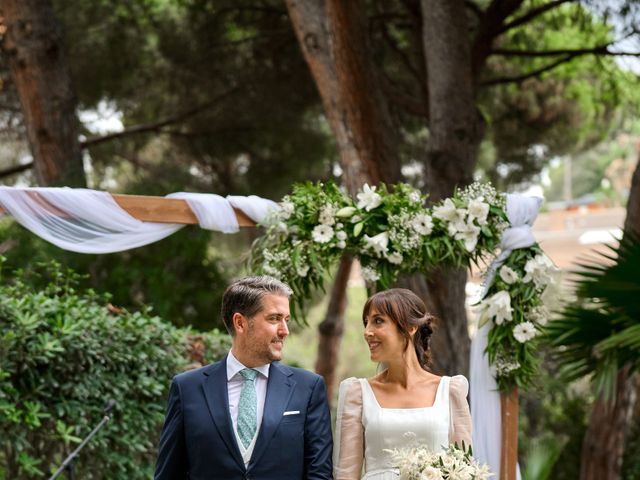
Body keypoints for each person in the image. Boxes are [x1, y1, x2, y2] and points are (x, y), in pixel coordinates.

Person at [154, 276, 333, 480]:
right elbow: (168, 474)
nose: (285, 331)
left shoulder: (308, 388)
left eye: (286, 320)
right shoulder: (187, 388)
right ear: (240, 323)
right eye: (274, 318)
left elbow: (319, 474)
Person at [333, 288, 472, 479]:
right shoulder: (358, 394)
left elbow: (465, 467)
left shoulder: (450, 391)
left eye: (378, 321)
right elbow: (346, 474)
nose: (367, 332)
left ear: (410, 327)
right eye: (366, 323)